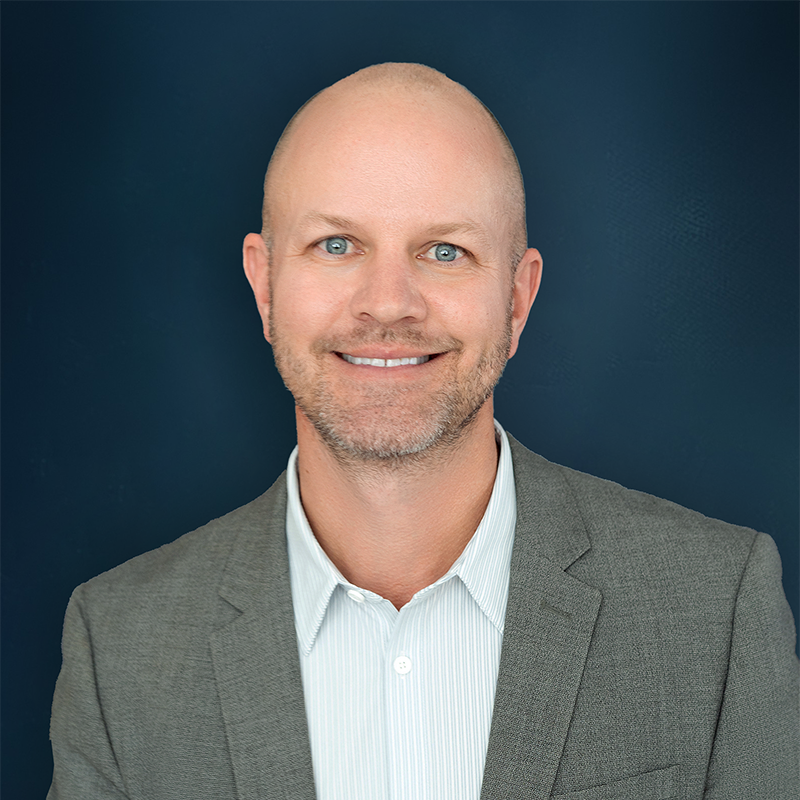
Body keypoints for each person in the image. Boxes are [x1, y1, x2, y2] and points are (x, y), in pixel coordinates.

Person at [48, 63, 798, 800]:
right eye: (337, 244)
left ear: (517, 297)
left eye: (445, 251)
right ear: (265, 283)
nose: (388, 305)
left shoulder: (713, 610)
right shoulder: (120, 646)